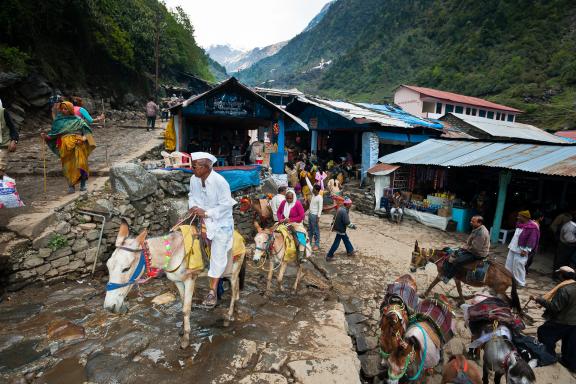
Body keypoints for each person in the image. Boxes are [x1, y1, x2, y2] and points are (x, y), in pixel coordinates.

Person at [187, 152, 237, 308]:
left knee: (218, 255)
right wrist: (193, 206)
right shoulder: (194, 179)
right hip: (202, 221)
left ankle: (212, 291)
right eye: (192, 165)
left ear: (206, 167)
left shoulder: (220, 182)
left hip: (221, 223)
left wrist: (207, 213)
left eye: (194, 166)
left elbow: (225, 205)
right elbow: (191, 196)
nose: (192, 168)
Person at [41, 101, 96, 193]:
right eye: (62, 109)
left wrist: (83, 138)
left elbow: (88, 132)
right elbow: (53, 135)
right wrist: (46, 137)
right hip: (65, 147)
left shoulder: (78, 120)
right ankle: (71, 185)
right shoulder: (57, 122)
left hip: (79, 145)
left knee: (81, 164)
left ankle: (83, 185)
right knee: (68, 166)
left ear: (70, 109)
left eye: (65, 109)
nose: (63, 110)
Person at [532, 266, 576, 372]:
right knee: (570, 341)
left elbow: (554, 308)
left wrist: (539, 299)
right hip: (574, 321)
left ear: (562, 275)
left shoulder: (564, 290)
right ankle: (569, 363)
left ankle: (549, 355)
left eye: (559, 274)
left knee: (544, 331)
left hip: (563, 321)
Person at [443, 215, 490, 282]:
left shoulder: (481, 233)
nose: (471, 222)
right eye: (471, 221)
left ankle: (447, 278)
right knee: (453, 252)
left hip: (477, 254)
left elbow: (475, 248)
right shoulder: (477, 228)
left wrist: (465, 248)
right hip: (473, 250)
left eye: (473, 221)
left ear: (479, 223)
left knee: (457, 261)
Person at [505, 210, 540, 287]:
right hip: (513, 247)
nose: (518, 218)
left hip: (521, 250)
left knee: (519, 266)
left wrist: (526, 250)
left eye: (519, 216)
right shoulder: (520, 224)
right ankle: (509, 279)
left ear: (525, 217)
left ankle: (520, 283)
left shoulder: (532, 227)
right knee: (509, 264)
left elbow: (532, 239)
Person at [277, 188, 307, 262]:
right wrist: (280, 219)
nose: (289, 200)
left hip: (296, 223)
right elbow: (278, 212)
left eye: (290, 198)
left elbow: (302, 216)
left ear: (293, 197)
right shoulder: (283, 203)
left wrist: (291, 220)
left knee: (301, 236)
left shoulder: (297, 204)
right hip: (284, 222)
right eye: (287, 198)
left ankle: (301, 255)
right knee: (274, 231)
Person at [0, 98, 19, 178]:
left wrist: (14, 141)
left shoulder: (3, 112)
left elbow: (13, 128)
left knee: (0, 169)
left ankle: (7, 187)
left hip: (3, 143)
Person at [308, 184, 323, 251]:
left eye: (313, 189)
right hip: (310, 214)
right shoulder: (314, 195)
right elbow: (309, 185)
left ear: (317, 190)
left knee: (316, 230)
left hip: (315, 215)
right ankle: (309, 242)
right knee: (310, 229)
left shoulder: (320, 197)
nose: (312, 190)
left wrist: (318, 216)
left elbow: (320, 208)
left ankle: (317, 244)